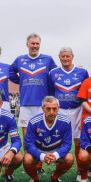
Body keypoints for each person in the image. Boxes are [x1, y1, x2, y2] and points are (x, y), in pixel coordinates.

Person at [10, 33, 57, 174]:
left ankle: (39, 166)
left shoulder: (48, 59)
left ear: (39, 45)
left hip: (43, 105)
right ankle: (28, 165)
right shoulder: (20, 60)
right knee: (27, 136)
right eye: (32, 43)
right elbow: (11, 72)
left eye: (37, 43)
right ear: (27, 45)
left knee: (41, 135)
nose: (35, 46)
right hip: (25, 104)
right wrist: (21, 81)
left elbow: (56, 75)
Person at [49, 47, 89, 176]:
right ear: (59, 57)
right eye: (63, 56)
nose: (65, 58)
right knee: (58, 140)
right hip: (59, 111)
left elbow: (86, 90)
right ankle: (58, 168)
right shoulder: (53, 73)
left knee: (78, 140)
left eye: (68, 56)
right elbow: (51, 92)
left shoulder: (82, 71)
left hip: (77, 110)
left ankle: (79, 169)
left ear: (72, 57)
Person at [23, 96, 74, 182]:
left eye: (54, 109)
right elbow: (29, 144)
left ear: (58, 108)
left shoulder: (65, 122)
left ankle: (54, 178)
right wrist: (42, 156)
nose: (51, 112)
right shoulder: (33, 122)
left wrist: (55, 155)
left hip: (56, 150)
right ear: (43, 109)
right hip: (39, 150)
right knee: (27, 159)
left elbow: (67, 144)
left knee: (69, 158)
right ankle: (35, 179)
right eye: (48, 109)